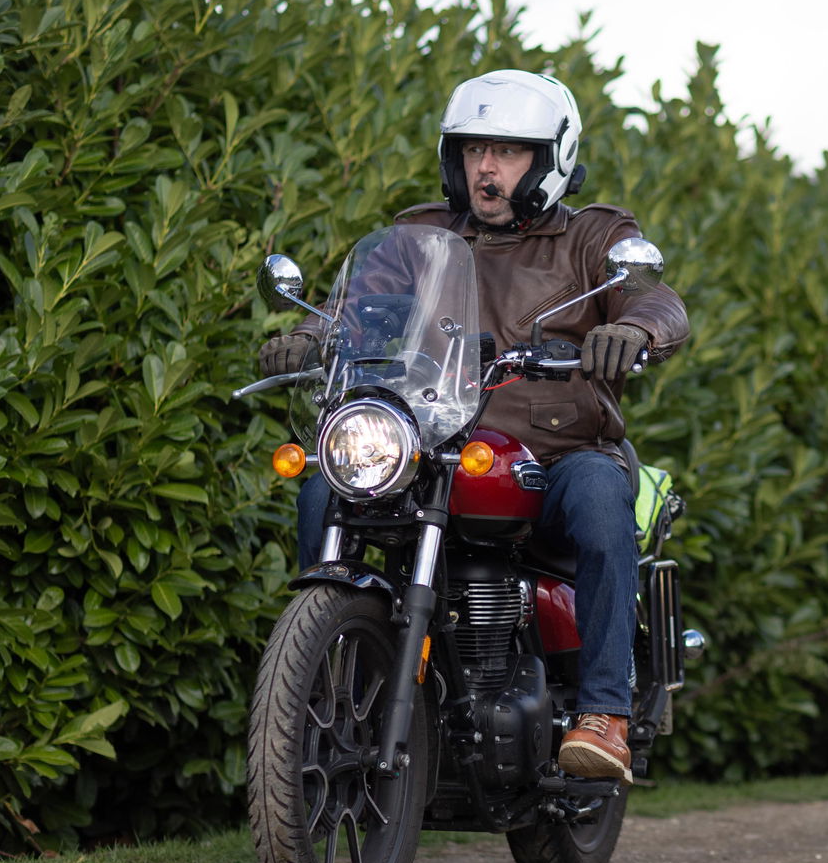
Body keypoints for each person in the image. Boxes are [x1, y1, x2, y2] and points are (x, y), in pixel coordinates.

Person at [257, 70, 691, 783]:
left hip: (554, 454)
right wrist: (310, 337)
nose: (486, 168)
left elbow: (655, 299)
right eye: (472, 150)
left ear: (550, 159)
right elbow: (353, 308)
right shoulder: (418, 235)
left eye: (507, 151)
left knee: (598, 494)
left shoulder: (593, 236)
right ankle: (329, 680)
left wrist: (637, 329)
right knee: (322, 485)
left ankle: (604, 713)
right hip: (431, 447)